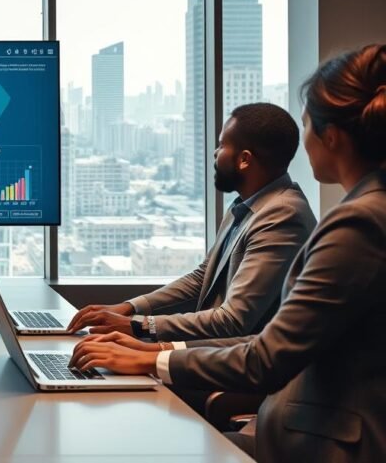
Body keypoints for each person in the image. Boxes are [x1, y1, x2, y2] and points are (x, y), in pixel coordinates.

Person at [71, 45, 386, 462]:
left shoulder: (356, 223)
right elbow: (213, 286)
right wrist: (142, 336)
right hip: (296, 424)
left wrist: (148, 354)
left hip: (319, 444)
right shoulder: (354, 210)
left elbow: (265, 356)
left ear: (331, 136)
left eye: (307, 124)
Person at [66, 103, 316, 343]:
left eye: (222, 145)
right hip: (210, 352)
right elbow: (202, 278)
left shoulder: (282, 216)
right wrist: (129, 308)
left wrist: (138, 326)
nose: (215, 153)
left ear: (244, 159)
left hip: (239, 365)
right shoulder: (245, 207)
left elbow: (233, 320)